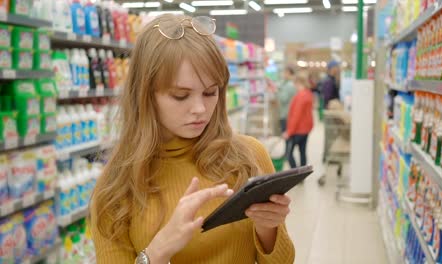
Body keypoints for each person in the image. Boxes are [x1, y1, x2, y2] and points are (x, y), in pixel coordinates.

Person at [90, 15, 295, 264]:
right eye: (180, 95)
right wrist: (156, 253)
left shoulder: (250, 156)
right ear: (145, 95)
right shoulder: (116, 187)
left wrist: (268, 229)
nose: (200, 108)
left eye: (210, 92)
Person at [283, 76, 314, 169]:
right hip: (306, 129)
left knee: (288, 154)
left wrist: (289, 132)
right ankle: (303, 174)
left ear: (298, 83)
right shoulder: (308, 94)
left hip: (298, 130)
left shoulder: (300, 96)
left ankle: (295, 173)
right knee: (302, 152)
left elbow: (296, 116)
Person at [277, 66, 296, 133]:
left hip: (286, 114)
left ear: (290, 74)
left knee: (287, 135)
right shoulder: (287, 83)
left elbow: (283, 99)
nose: (284, 75)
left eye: (285, 73)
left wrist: (276, 91)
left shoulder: (289, 85)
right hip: (287, 113)